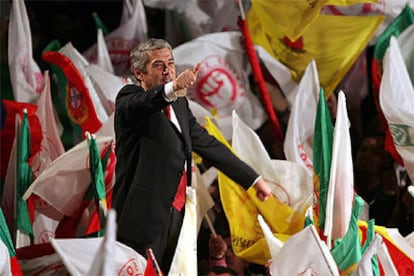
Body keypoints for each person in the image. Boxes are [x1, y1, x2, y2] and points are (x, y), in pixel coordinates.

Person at [113, 38, 272, 274]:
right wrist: (172, 88)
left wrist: (253, 179)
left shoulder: (179, 106)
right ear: (139, 73)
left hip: (177, 218)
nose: (167, 70)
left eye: (170, 63)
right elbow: (143, 102)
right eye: (158, 65)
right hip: (142, 220)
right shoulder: (129, 99)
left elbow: (209, 145)